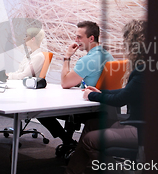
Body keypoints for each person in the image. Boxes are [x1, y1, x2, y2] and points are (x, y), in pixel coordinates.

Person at [64, 19, 146, 174]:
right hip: (135, 121)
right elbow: (126, 92)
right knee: (91, 125)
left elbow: (65, 83)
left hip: (141, 128)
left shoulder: (143, 69)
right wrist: (101, 93)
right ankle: (72, 171)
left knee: (90, 140)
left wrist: (93, 95)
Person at [38, 21, 114, 156]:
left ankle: (67, 141)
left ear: (91, 38)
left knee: (40, 110)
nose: (76, 40)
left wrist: (67, 57)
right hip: (105, 107)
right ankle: (69, 142)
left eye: (79, 37)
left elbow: (65, 83)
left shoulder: (88, 60)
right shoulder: (107, 55)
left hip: (88, 109)